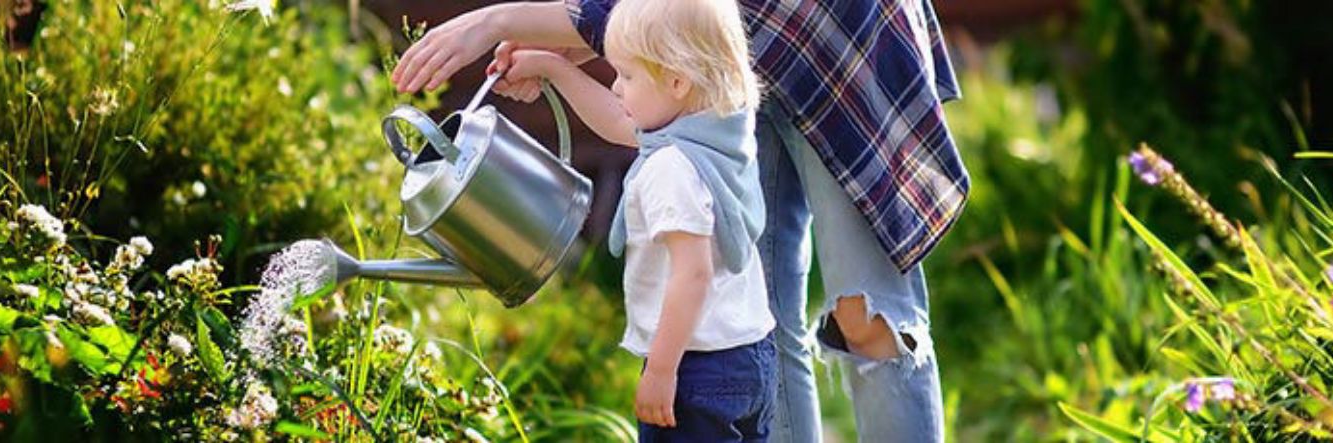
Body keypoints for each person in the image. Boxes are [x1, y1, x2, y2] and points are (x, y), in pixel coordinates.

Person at [392, 0, 969, 441]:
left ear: (673, 80)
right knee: (760, 313)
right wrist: (579, 52)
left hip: (826, 29)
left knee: (870, 320)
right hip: (723, 36)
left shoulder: (674, 167)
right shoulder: (693, 112)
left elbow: (688, 266)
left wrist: (504, 21)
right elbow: (632, 113)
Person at [484, 0, 778, 440]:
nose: (617, 88)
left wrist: (660, 371)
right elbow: (622, 122)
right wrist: (553, 68)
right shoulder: (721, 129)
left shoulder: (672, 168)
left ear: (677, 81)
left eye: (627, 75)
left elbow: (692, 275)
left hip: (693, 365)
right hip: (750, 353)